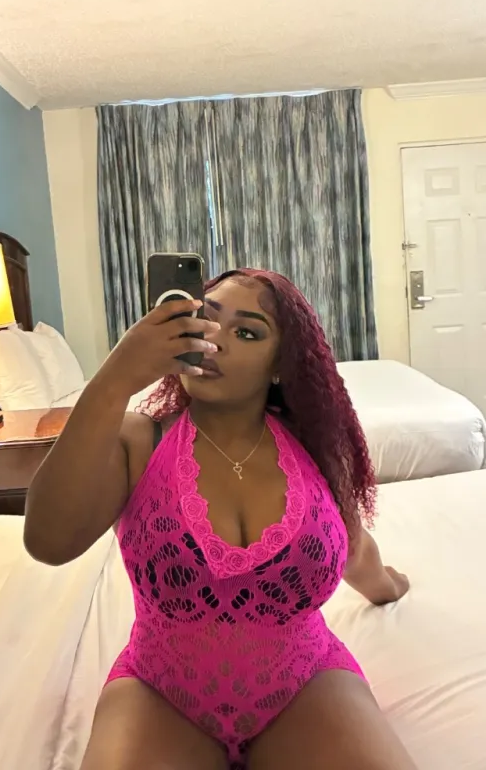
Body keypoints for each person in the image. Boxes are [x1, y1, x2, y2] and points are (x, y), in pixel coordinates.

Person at [25, 268, 415, 770]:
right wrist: (116, 377)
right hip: (160, 689)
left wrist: (387, 587)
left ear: (279, 366)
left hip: (304, 680)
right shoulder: (138, 441)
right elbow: (48, 541)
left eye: (247, 332)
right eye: (204, 320)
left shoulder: (315, 451)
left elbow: (351, 545)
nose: (214, 341)